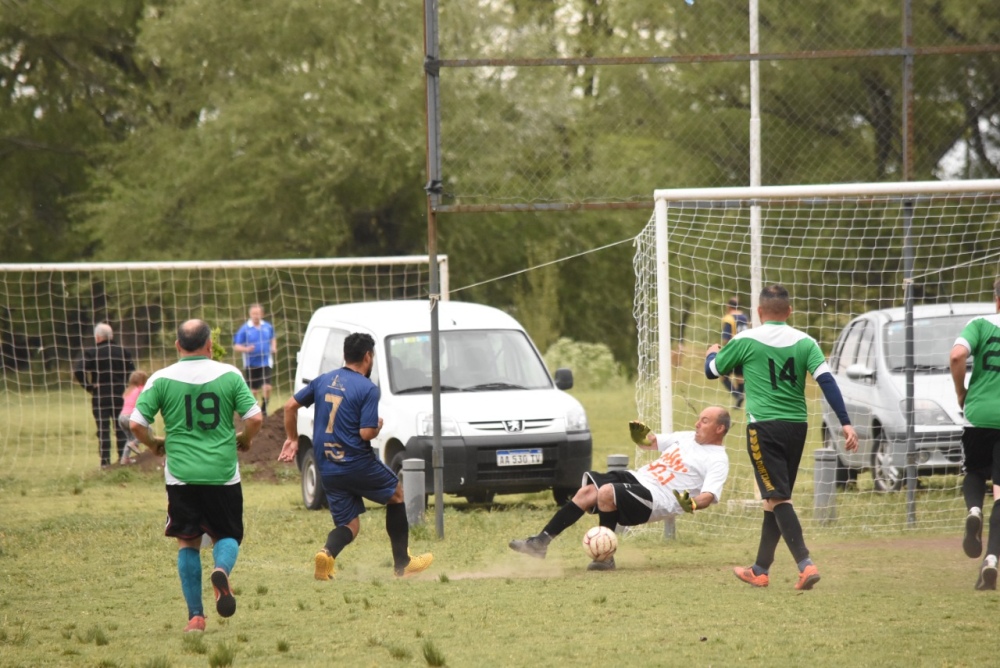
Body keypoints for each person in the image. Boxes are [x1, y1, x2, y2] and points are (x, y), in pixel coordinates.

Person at [705, 284, 858, 590]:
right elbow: (827, 382)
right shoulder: (805, 342)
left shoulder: (746, 338)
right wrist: (845, 423)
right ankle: (760, 569)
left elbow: (712, 371)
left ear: (759, 313)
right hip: (796, 426)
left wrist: (711, 353)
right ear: (789, 312)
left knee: (778, 497)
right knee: (772, 499)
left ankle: (805, 564)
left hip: (764, 428)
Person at [129, 320, 263, 633]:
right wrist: (245, 439)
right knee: (226, 535)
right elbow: (255, 418)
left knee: (187, 541)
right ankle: (221, 570)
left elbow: (136, 424)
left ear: (177, 345)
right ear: (208, 345)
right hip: (222, 473)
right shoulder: (229, 374)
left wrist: (154, 444)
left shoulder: (161, 379)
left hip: (181, 476)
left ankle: (195, 618)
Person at [278, 332, 433, 580]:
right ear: (368, 357)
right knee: (397, 494)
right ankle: (403, 563)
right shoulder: (368, 389)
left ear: (344, 355)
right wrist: (378, 427)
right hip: (357, 462)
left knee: (350, 525)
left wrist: (293, 438)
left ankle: (326, 554)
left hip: (327, 466)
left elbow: (289, 406)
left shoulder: (323, 380)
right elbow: (365, 434)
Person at [509, 406, 732, 571]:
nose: (697, 424)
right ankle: (540, 542)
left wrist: (692, 503)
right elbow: (650, 443)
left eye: (704, 421)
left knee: (607, 492)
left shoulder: (717, 460)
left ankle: (605, 558)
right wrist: (640, 436)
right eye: (699, 419)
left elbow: (708, 496)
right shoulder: (686, 437)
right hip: (639, 478)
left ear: (719, 428)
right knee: (586, 492)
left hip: (657, 499)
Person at [949, 278, 1000, 590]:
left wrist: (961, 392)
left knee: (975, 472)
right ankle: (992, 559)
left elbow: (956, 356)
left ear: (996, 298)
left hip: (978, 415)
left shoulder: (980, 324)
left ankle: (973, 509)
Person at [73, 323, 136, 468]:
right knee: (121, 428)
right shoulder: (123, 351)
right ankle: (122, 459)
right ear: (111, 336)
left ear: (97, 337)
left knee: (103, 429)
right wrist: (125, 384)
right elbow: (133, 372)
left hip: (100, 395)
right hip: (120, 395)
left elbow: (78, 370)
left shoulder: (91, 352)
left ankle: (105, 462)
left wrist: (88, 386)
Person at [233, 304, 277, 417]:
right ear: (250, 314)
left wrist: (273, 347)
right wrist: (246, 349)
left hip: (266, 362)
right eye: (253, 314)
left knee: (267, 387)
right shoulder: (245, 329)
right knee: (253, 391)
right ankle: (255, 411)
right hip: (251, 364)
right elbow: (236, 346)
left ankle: (264, 408)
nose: (255, 316)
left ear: (262, 314)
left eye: (257, 314)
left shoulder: (267, 326)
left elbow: (273, 338)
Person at [721, 297, 749, 408]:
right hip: (744, 349)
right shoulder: (744, 317)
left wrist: (724, 350)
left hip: (733, 350)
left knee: (723, 376)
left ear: (728, 306)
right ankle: (738, 403)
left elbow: (726, 338)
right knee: (739, 376)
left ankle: (737, 395)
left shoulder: (729, 318)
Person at [118, 370, 148, 464]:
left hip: (122, 417)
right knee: (147, 432)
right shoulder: (141, 389)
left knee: (130, 438)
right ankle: (134, 443)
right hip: (132, 416)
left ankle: (124, 459)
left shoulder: (128, 390)